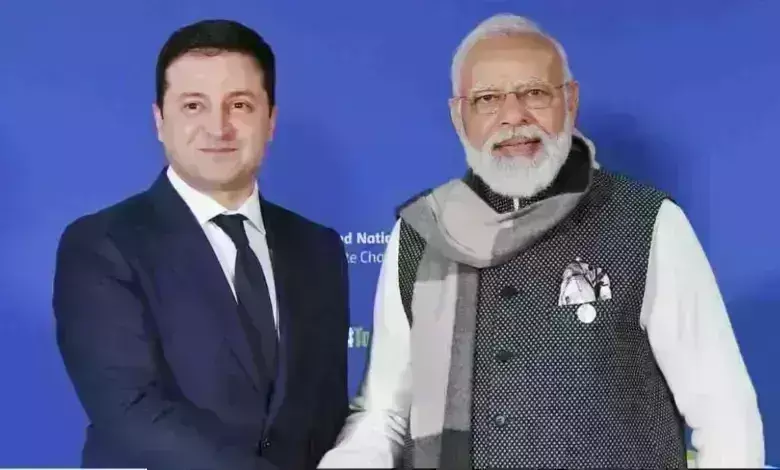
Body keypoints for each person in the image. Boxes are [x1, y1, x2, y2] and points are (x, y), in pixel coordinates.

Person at [318, 13, 764, 470]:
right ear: (459, 116)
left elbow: (724, 413)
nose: (514, 117)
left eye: (534, 93)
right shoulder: (420, 233)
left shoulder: (647, 222)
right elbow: (385, 415)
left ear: (570, 101)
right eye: (488, 99)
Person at [53, 19, 349, 470]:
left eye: (240, 105)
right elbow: (130, 412)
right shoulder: (102, 244)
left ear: (270, 120)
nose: (218, 127)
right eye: (194, 105)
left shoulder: (319, 247)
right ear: (160, 120)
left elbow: (325, 412)